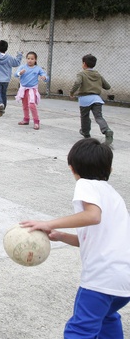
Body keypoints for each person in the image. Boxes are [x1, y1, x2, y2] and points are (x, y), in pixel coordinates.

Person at [20, 138, 130, 338]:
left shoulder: (85, 184)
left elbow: (92, 216)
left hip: (101, 279)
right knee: (107, 318)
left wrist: (49, 223)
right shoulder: (113, 196)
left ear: (72, 169)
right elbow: (91, 240)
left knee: (79, 331)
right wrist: (61, 236)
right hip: (123, 281)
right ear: (110, 170)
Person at [70, 54, 113, 145]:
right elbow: (107, 86)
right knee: (98, 117)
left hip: (85, 99)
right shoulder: (98, 74)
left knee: (85, 117)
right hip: (97, 99)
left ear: (84, 64)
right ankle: (107, 130)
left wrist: (72, 92)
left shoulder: (81, 73)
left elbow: (77, 82)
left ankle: (86, 133)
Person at [14, 51, 48, 130]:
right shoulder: (23, 67)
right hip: (23, 89)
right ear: (26, 59)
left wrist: (44, 77)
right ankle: (26, 119)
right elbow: (15, 74)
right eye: (28, 58)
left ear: (35, 60)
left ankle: (36, 122)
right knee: (25, 105)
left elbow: (45, 75)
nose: (30, 60)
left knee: (32, 105)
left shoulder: (38, 68)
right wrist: (20, 73)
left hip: (32, 90)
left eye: (32, 59)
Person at [0, 40, 23, 117]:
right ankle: (3, 107)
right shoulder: (9, 57)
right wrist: (19, 55)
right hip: (6, 79)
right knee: (3, 93)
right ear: (6, 48)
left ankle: (0, 104)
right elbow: (16, 63)